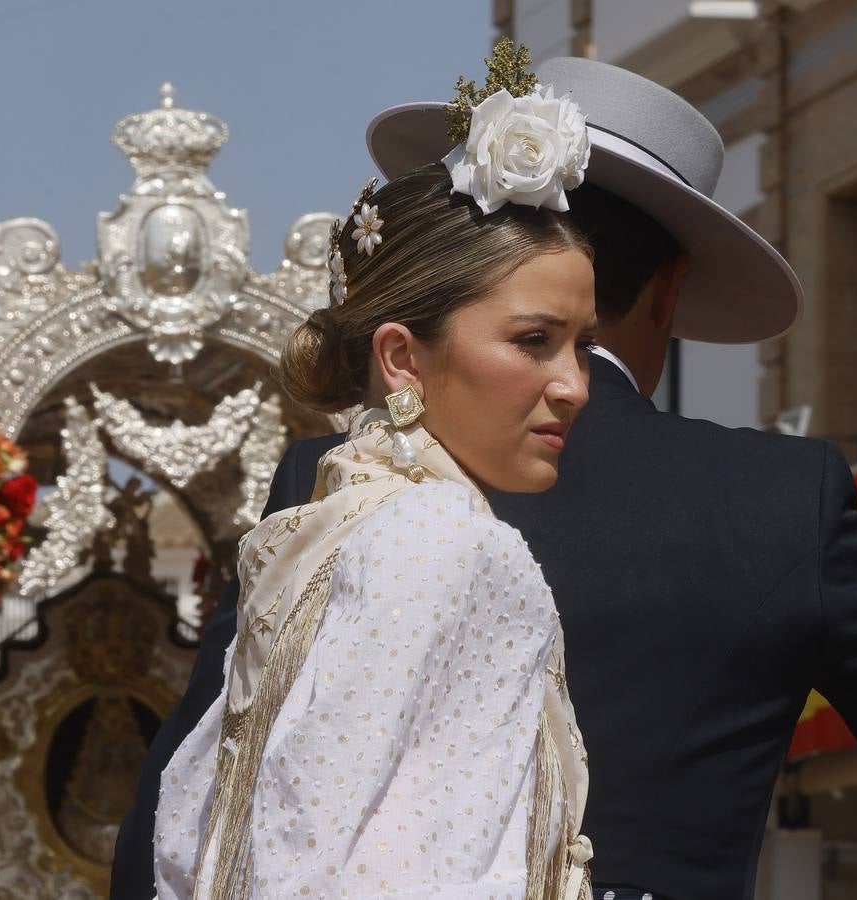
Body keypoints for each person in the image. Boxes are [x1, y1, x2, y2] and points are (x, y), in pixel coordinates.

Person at [112, 56, 857, 900]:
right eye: (533, 339)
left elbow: (196, 806)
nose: (566, 386)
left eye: (566, 342)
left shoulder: (331, 487)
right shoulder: (780, 501)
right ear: (672, 290)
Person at [152, 50, 602, 898]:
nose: (574, 384)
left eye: (584, 345)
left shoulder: (334, 520)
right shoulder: (437, 536)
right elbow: (307, 840)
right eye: (534, 341)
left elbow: (213, 821)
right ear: (401, 357)